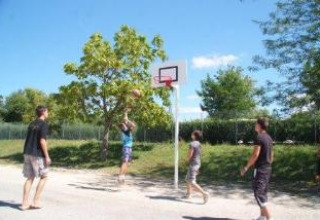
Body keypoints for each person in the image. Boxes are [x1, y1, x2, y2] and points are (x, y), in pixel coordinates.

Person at [241, 118, 274, 220]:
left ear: (259, 125)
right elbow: (272, 154)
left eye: (256, 124)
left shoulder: (259, 137)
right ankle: (262, 216)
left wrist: (246, 167)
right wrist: (268, 162)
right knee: (263, 193)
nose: (255, 125)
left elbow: (255, 154)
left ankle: (269, 217)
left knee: (258, 194)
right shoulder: (269, 137)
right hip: (267, 168)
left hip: (260, 170)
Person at [20, 106, 51, 211]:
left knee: (30, 178)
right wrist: (47, 156)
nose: (48, 113)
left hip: (27, 152)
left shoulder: (32, 123)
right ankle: (35, 202)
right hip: (37, 154)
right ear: (43, 112)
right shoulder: (43, 124)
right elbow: (42, 141)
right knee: (44, 176)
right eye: (47, 111)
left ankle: (24, 204)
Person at [184, 130, 209, 204]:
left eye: (192, 134)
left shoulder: (192, 144)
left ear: (194, 135)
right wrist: (197, 168)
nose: (191, 135)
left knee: (191, 181)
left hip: (193, 164)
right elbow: (199, 154)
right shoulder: (199, 144)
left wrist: (186, 160)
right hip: (197, 163)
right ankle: (188, 194)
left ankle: (204, 194)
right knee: (187, 179)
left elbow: (190, 155)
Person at [118, 111, 136, 184]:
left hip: (128, 148)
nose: (126, 125)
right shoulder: (126, 131)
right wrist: (127, 120)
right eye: (124, 125)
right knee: (125, 162)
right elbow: (133, 125)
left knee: (128, 163)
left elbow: (126, 122)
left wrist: (125, 113)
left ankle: (122, 177)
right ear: (123, 127)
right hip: (127, 148)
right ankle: (120, 177)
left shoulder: (126, 131)